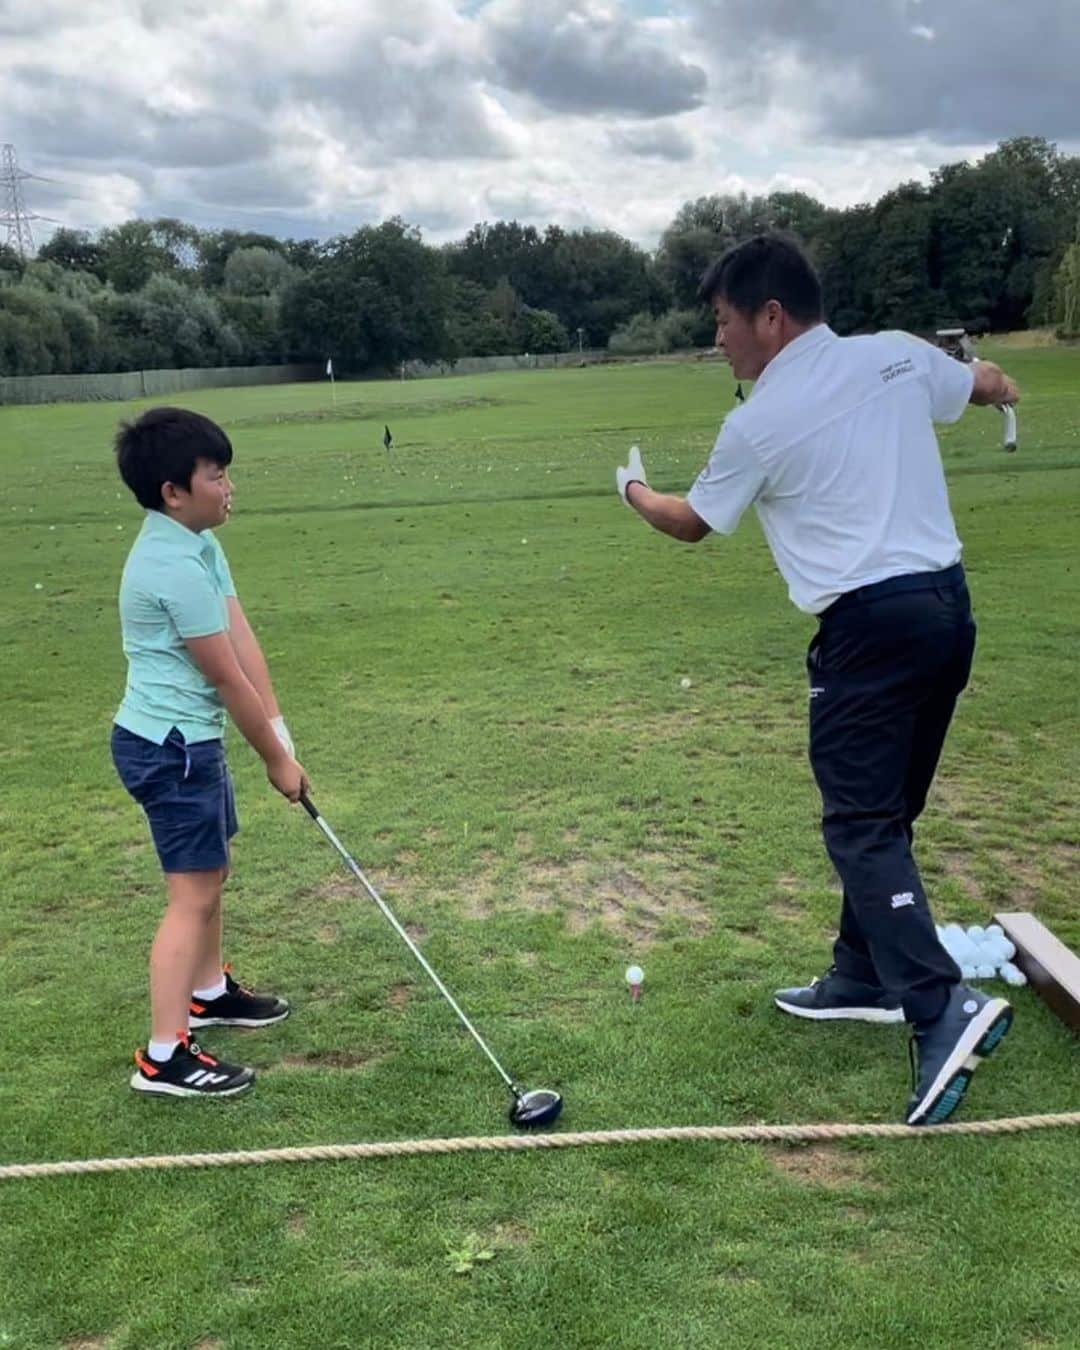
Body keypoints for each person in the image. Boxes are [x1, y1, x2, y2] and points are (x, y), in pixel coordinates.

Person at [615, 234, 1020, 1126]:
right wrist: (1001, 386)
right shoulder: (896, 356)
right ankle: (861, 972)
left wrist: (634, 491)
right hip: (947, 613)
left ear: (770, 315)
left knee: (861, 824)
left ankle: (937, 1005)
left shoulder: (759, 420)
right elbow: (981, 383)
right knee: (887, 811)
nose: (717, 339)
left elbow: (690, 523)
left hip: (869, 630)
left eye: (723, 322)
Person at [111, 406, 309, 1098]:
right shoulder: (171, 567)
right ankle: (165, 1056)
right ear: (173, 490)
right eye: (216, 476)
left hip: (190, 744)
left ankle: (209, 991)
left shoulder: (198, 543)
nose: (229, 488)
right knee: (190, 896)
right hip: (169, 750)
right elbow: (224, 676)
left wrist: (279, 731)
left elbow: (242, 637)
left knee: (211, 874)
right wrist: (276, 763)